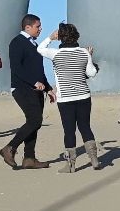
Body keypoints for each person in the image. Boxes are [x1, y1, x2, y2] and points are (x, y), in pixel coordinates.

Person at [39, 23, 101, 171]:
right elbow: (91, 73)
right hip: (84, 96)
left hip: (65, 98)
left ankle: (71, 164)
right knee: (85, 127)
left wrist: (50, 37)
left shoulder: (55, 53)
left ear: (61, 37)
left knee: (69, 130)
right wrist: (89, 58)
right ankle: (94, 159)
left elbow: (40, 49)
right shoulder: (84, 52)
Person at [0, 15, 53, 170]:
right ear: (27, 27)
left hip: (37, 90)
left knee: (34, 123)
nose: (40, 29)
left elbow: (39, 71)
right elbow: (16, 68)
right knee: (35, 120)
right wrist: (33, 82)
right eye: (38, 26)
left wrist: (48, 88)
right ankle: (9, 148)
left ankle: (29, 158)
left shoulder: (34, 44)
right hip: (22, 88)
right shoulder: (17, 42)